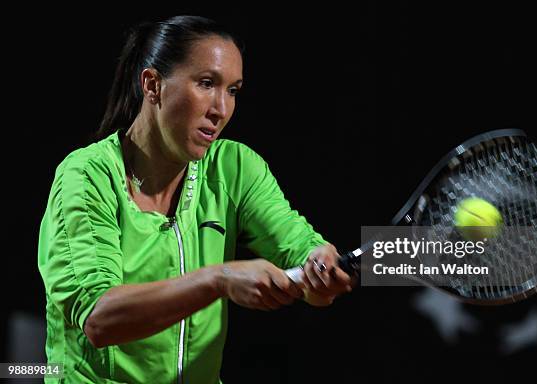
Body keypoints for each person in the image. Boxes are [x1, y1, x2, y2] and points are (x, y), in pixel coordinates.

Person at [37, 15, 352, 383]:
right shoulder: (87, 175)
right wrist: (218, 279)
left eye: (233, 90)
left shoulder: (234, 168)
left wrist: (317, 265)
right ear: (152, 85)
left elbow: (296, 242)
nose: (221, 109)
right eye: (207, 83)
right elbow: (100, 319)